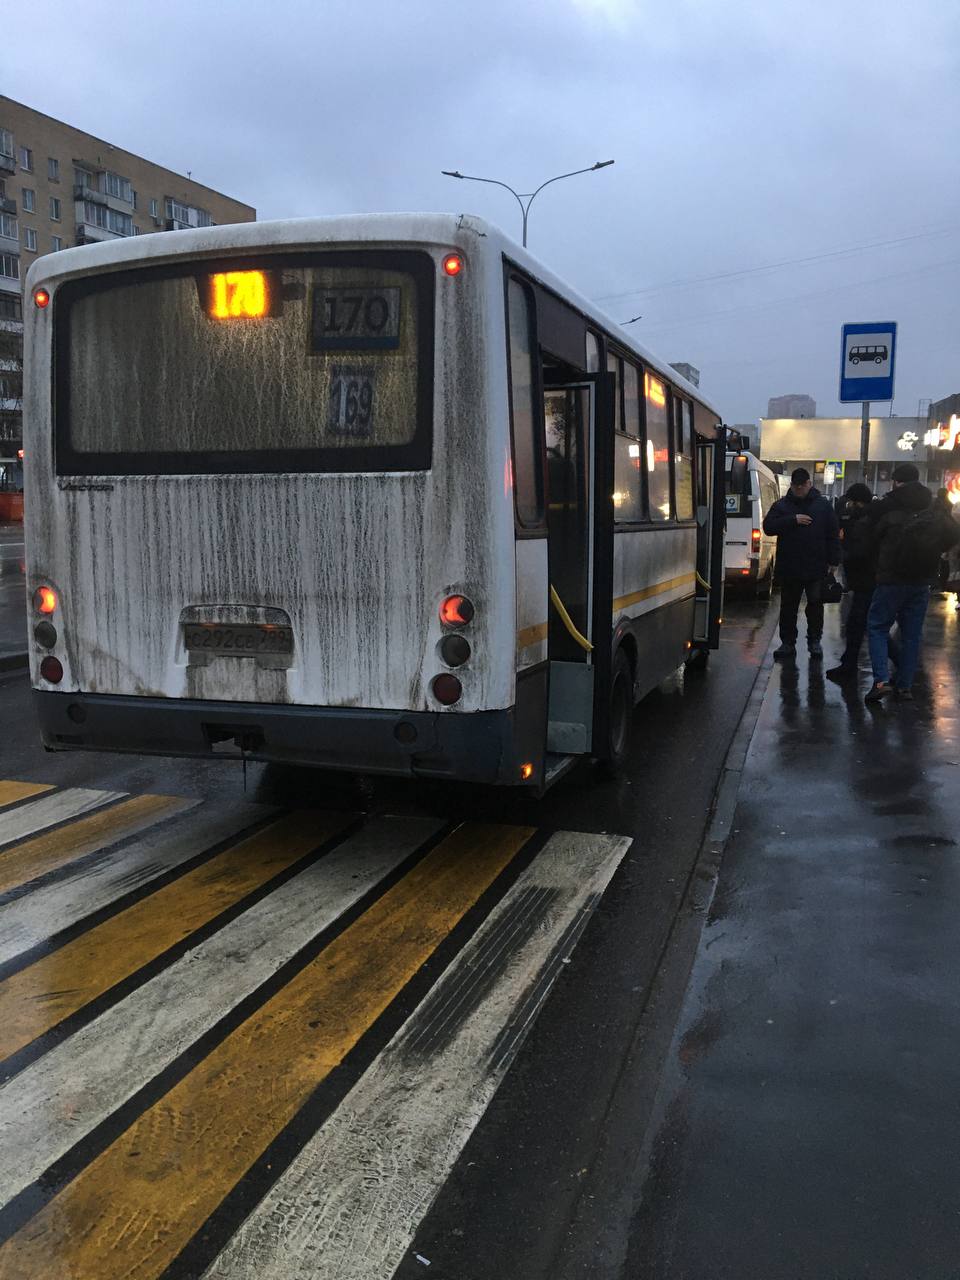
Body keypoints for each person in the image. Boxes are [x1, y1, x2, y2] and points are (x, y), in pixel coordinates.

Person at [864, 463, 960, 703]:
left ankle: (881, 681)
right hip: (922, 580)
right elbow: (953, 533)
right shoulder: (933, 506)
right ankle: (905, 686)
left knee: (877, 627)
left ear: (896, 482)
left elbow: (870, 539)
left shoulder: (887, 506)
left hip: (890, 579)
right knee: (912, 635)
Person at [763, 466, 841, 660]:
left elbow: (833, 534)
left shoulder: (822, 506)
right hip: (790, 567)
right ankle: (787, 643)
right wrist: (792, 520)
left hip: (816, 566)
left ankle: (814, 641)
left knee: (815, 605)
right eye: (796, 487)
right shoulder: (782, 506)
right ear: (792, 486)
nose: (799, 490)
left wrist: (834, 560)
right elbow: (769, 527)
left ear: (809, 484)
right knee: (788, 607)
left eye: (802, 486)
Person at [826, 483, 874, 682]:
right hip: (864, 581)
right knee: (859, 626)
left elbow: (859, 552)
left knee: (861, 626)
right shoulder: (866, 518)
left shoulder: (865, 522)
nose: (849, 505)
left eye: (852, 501)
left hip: (866, 581)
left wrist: (841, 555)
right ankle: (848, 663)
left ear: (858, 502)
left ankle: (849, 666)